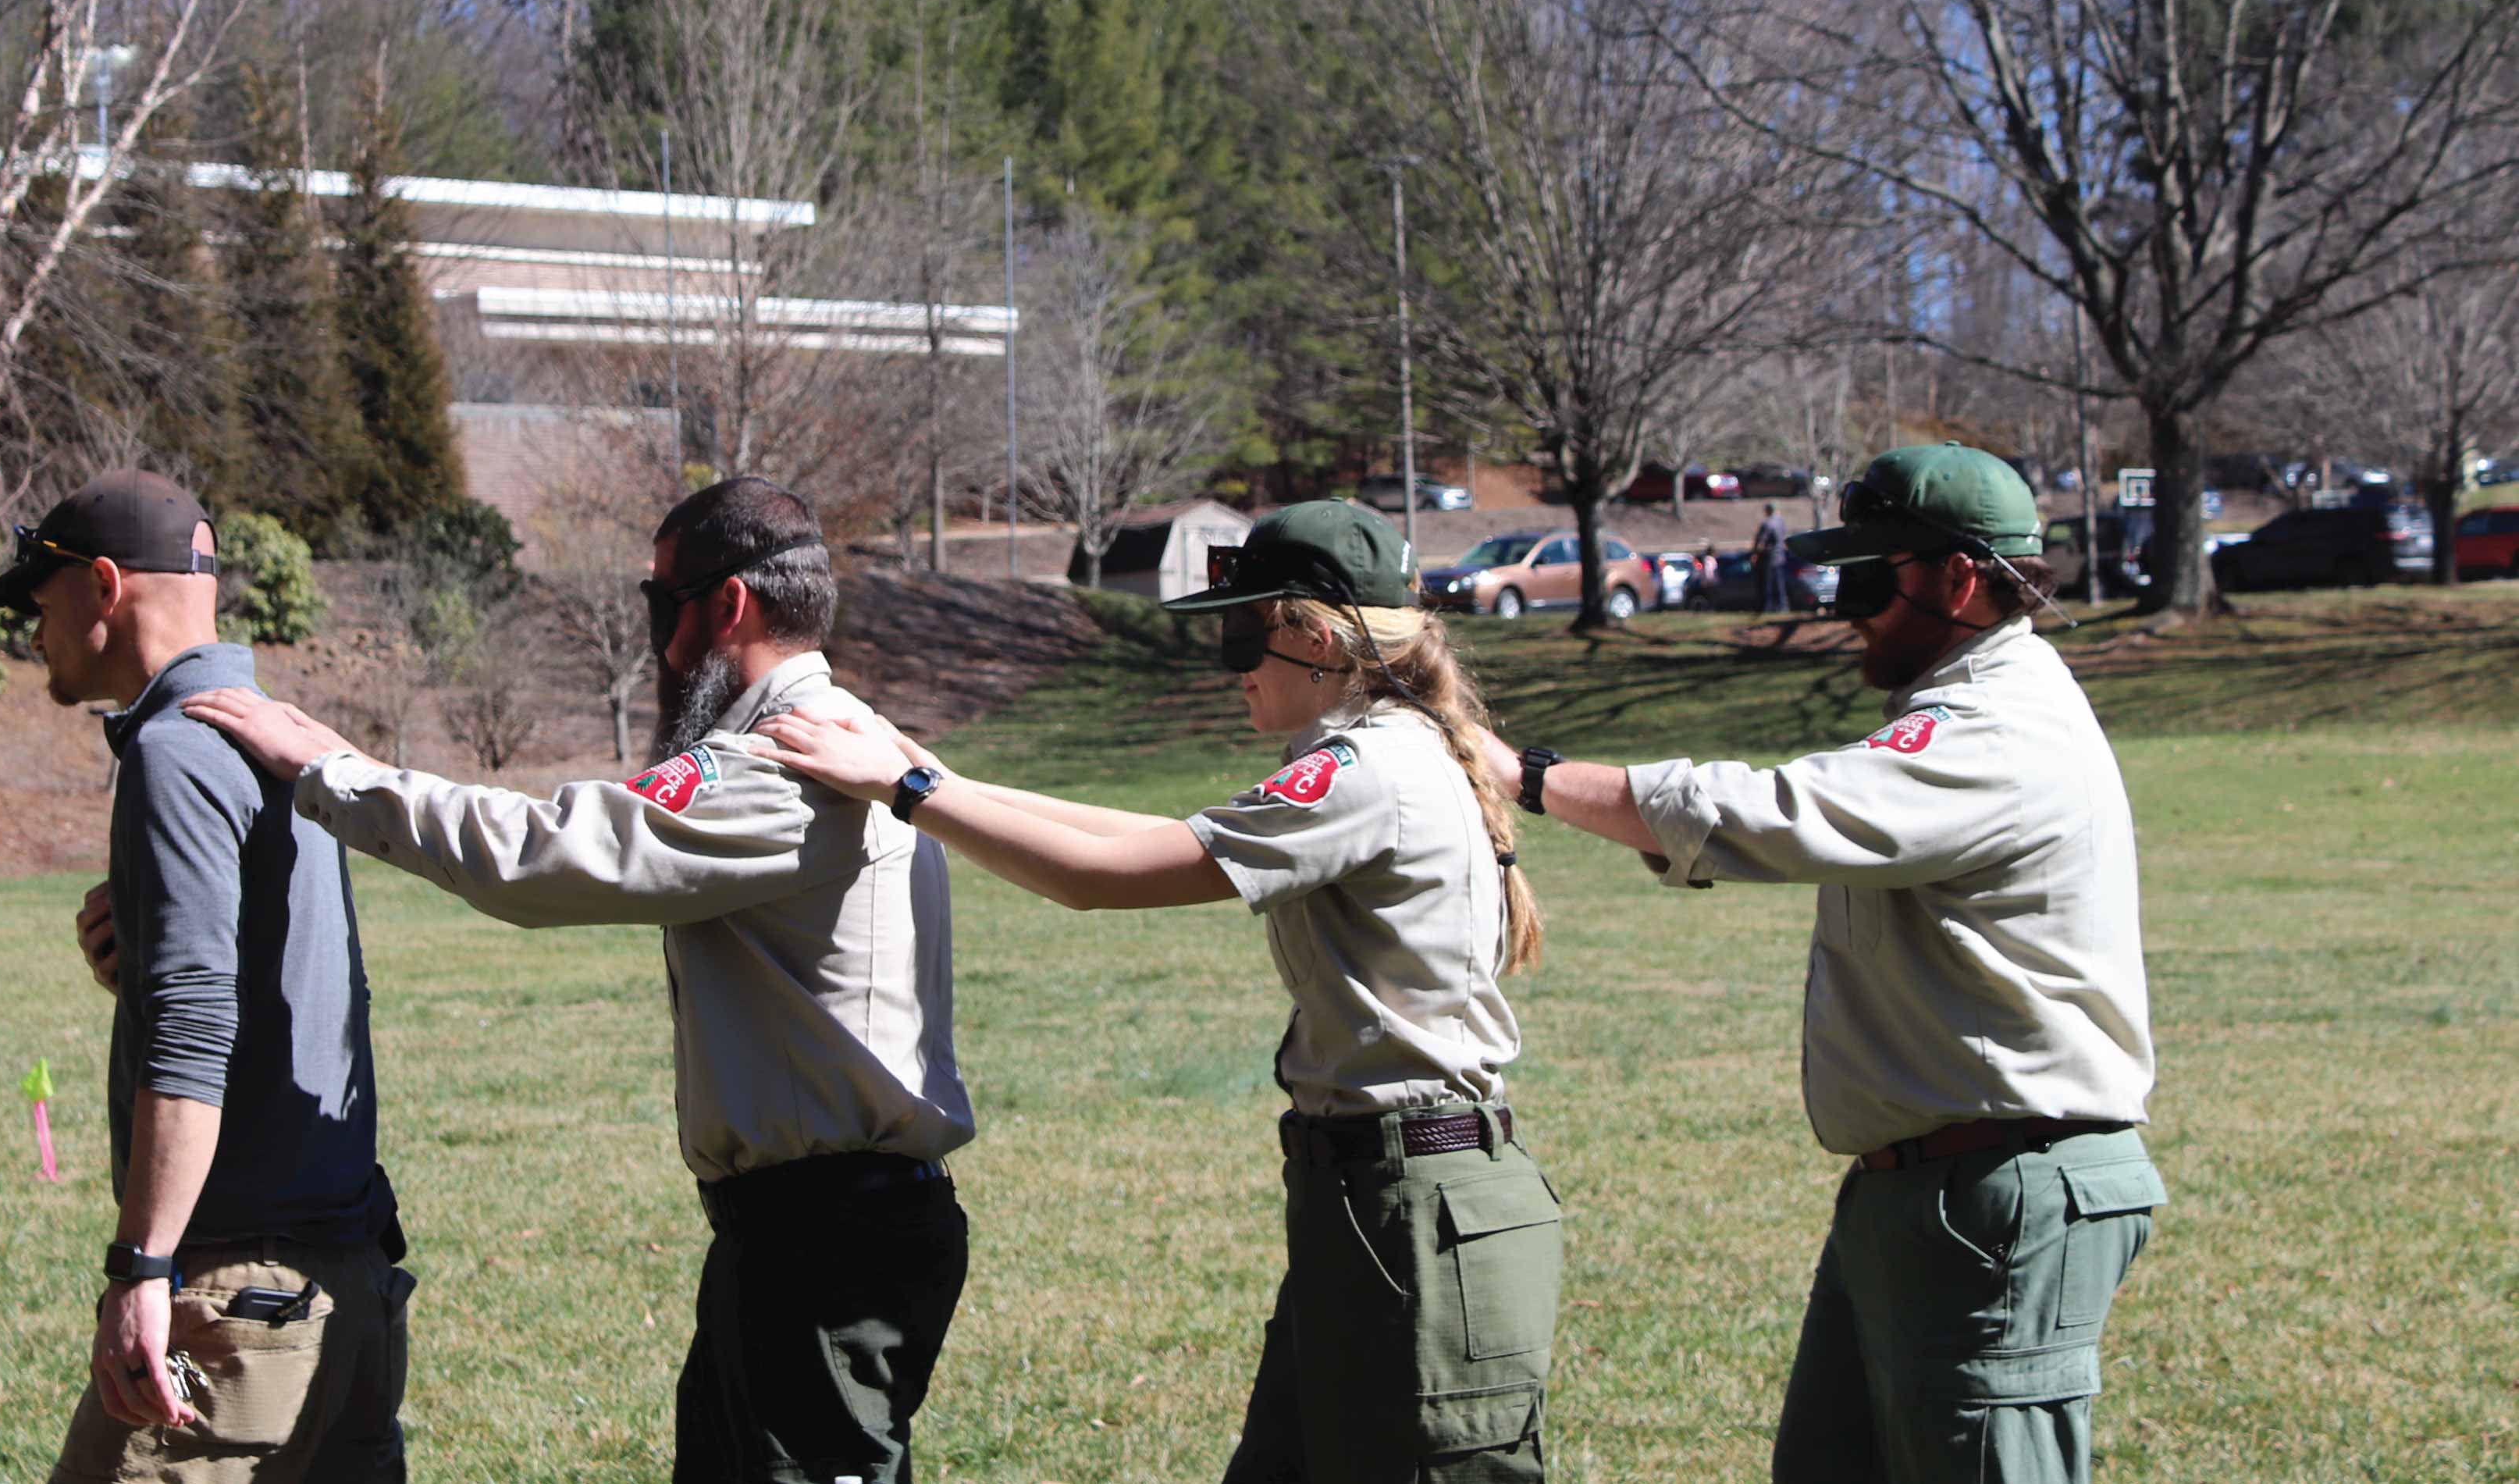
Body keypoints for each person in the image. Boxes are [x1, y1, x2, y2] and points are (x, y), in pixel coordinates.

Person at [181, 477, 971, 1484]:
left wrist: (339, 771)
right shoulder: (858, 740)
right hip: (816, 1234)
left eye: (659, 605)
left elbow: (550, 854)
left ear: (727, 606)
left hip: (823, 1245)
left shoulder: (788, 761)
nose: (658, 645)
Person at [765, 499, 1558, 1484]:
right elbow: (1140, 833)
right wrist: (931, 773)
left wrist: (911, 794)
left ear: (1312, 636)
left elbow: (1102, 877)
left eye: (1239, 633)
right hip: (1373, 1199)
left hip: (1415, 1209)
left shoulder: (1365, 769)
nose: (1231, 665)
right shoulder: (1389, 748)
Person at [1503, 444, 2162, 1484]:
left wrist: (1525, 777)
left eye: (1868, 575)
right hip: (1929, 1190)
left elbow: (1775, 817)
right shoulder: (1966, 713)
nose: (1844, 606)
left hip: (1998, 1192)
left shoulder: (1993, 732)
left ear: (1957, 578)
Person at [0, 470, 411, 1484]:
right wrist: (150, 957)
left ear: (105, 586)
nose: (32, 627)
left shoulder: (174, 751)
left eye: (41, 599)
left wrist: (142, 1267)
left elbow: (196, 1024)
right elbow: (272, 992)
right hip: (350, 1292)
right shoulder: (282, 738)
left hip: (238, 1309)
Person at [1751, 501, 1791, 613]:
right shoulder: (1780, 522)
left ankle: (1767, 607)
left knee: (1767, 584)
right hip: (1780, 557)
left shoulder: (1767, 523)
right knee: (1779, 584)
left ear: (1768, 510)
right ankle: (1782, 606)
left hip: (1768, 558)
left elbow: (1761, 542)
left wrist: (1755, 554)